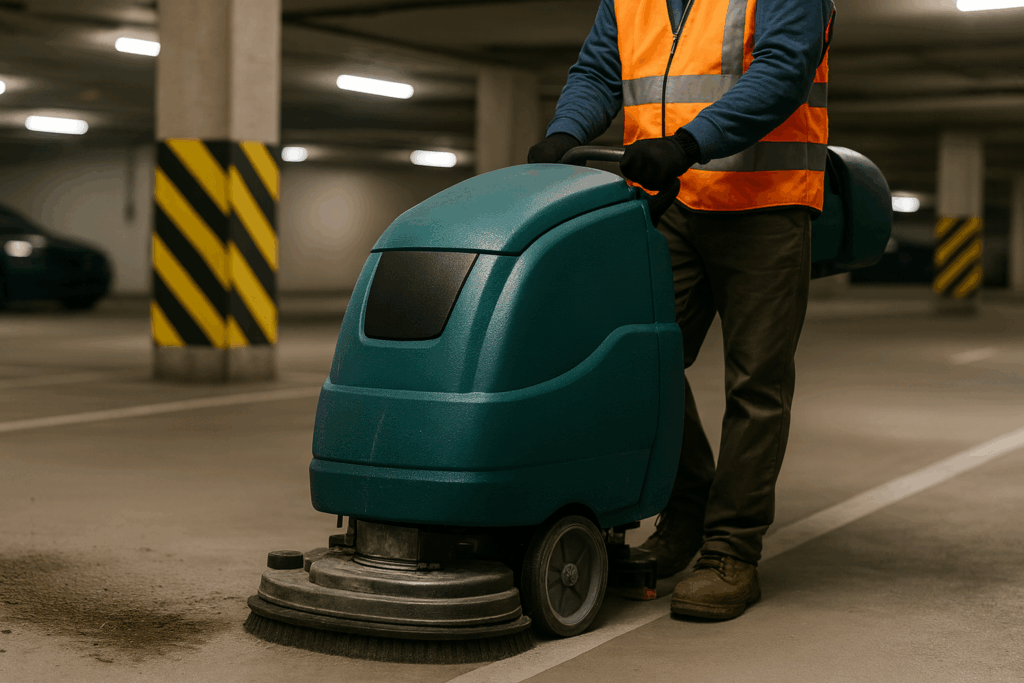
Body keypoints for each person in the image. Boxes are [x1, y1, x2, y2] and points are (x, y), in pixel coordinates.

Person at [528, 0, 835, 620]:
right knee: (638, 361)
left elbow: (782, 68)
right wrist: (568, 131)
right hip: (668, 201)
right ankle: (689, 504)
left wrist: (691, 142)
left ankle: (731, 550)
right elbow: (598, 72)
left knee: (756, 383)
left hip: (764, 204)